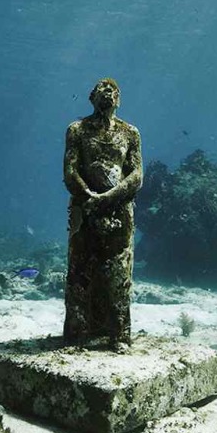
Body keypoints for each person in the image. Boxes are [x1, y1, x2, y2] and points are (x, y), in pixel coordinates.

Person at [63, 78, 143, 350]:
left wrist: (109, 198)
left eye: (113, 90)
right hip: (84, 212)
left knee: (119, 274)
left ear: (119, 98)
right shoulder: (77, 130)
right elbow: (71, 171)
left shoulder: (130, 133)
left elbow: (136, 175)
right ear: (91, 97)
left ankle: (119, 334)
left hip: (120, 212)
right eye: (101, 89)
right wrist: (89, 197)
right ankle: (76, 333)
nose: (107, 93)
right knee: (79, 271)